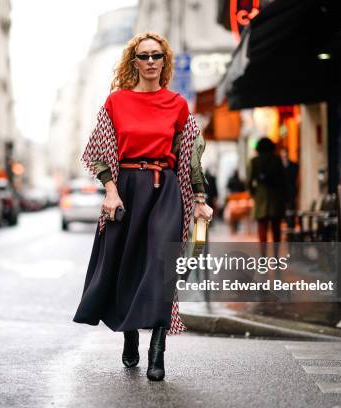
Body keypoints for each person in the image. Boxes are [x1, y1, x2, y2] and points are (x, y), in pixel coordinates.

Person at [72, 32, 213, 382]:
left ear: (164, 61)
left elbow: (191, 158)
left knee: (160, 269)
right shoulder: (116, 102)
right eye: (143, 56)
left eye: (156, 56)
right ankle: (131, 335)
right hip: (126, 191)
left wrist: (199, 200)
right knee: (125, 267)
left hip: (165, 191)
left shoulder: (178, 104)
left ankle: (158, 351)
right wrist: (110, 191)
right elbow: (97, 153)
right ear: (133, 62)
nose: (150, 62)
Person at [247, 137, 287, 255]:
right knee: (276, 229)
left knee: (262, 228)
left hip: (261, 196)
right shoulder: (277, 159)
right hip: (275, 196)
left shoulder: (254, 161)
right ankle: (276, 256)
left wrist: (254, 193)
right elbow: (283, 179)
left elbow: (249, 181)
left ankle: (263, 256)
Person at [279, 148, 299, 229]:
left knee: (291, 209)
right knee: (283, 211)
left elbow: (293, 177)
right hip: (282, 192)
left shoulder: (293, 165)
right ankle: (285, 227)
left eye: (285, 155)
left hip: (291, 191)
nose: (284, 156)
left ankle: (291, 227)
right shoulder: (278, 166)